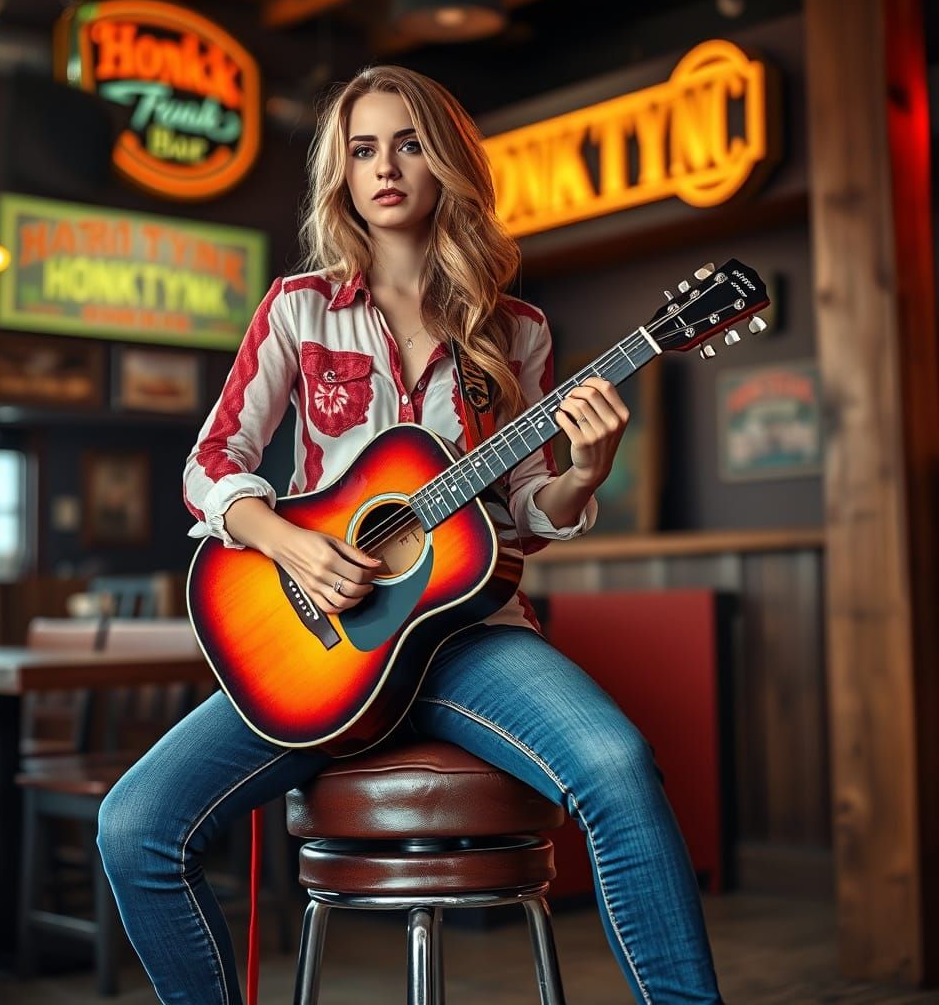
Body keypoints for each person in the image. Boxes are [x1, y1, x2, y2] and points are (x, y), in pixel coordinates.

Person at [97, 64, 724, 1005]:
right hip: (327, 649)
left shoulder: (514, 332)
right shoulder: (297, 309)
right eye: (362, 148)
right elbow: (209, 464)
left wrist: (586, 473)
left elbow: (522, 512)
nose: (384, 166)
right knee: (132, 823)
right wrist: (289, 542)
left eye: (408, 143)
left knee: (618, 766)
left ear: (450, 164)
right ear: (341, 175)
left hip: (472, 643)